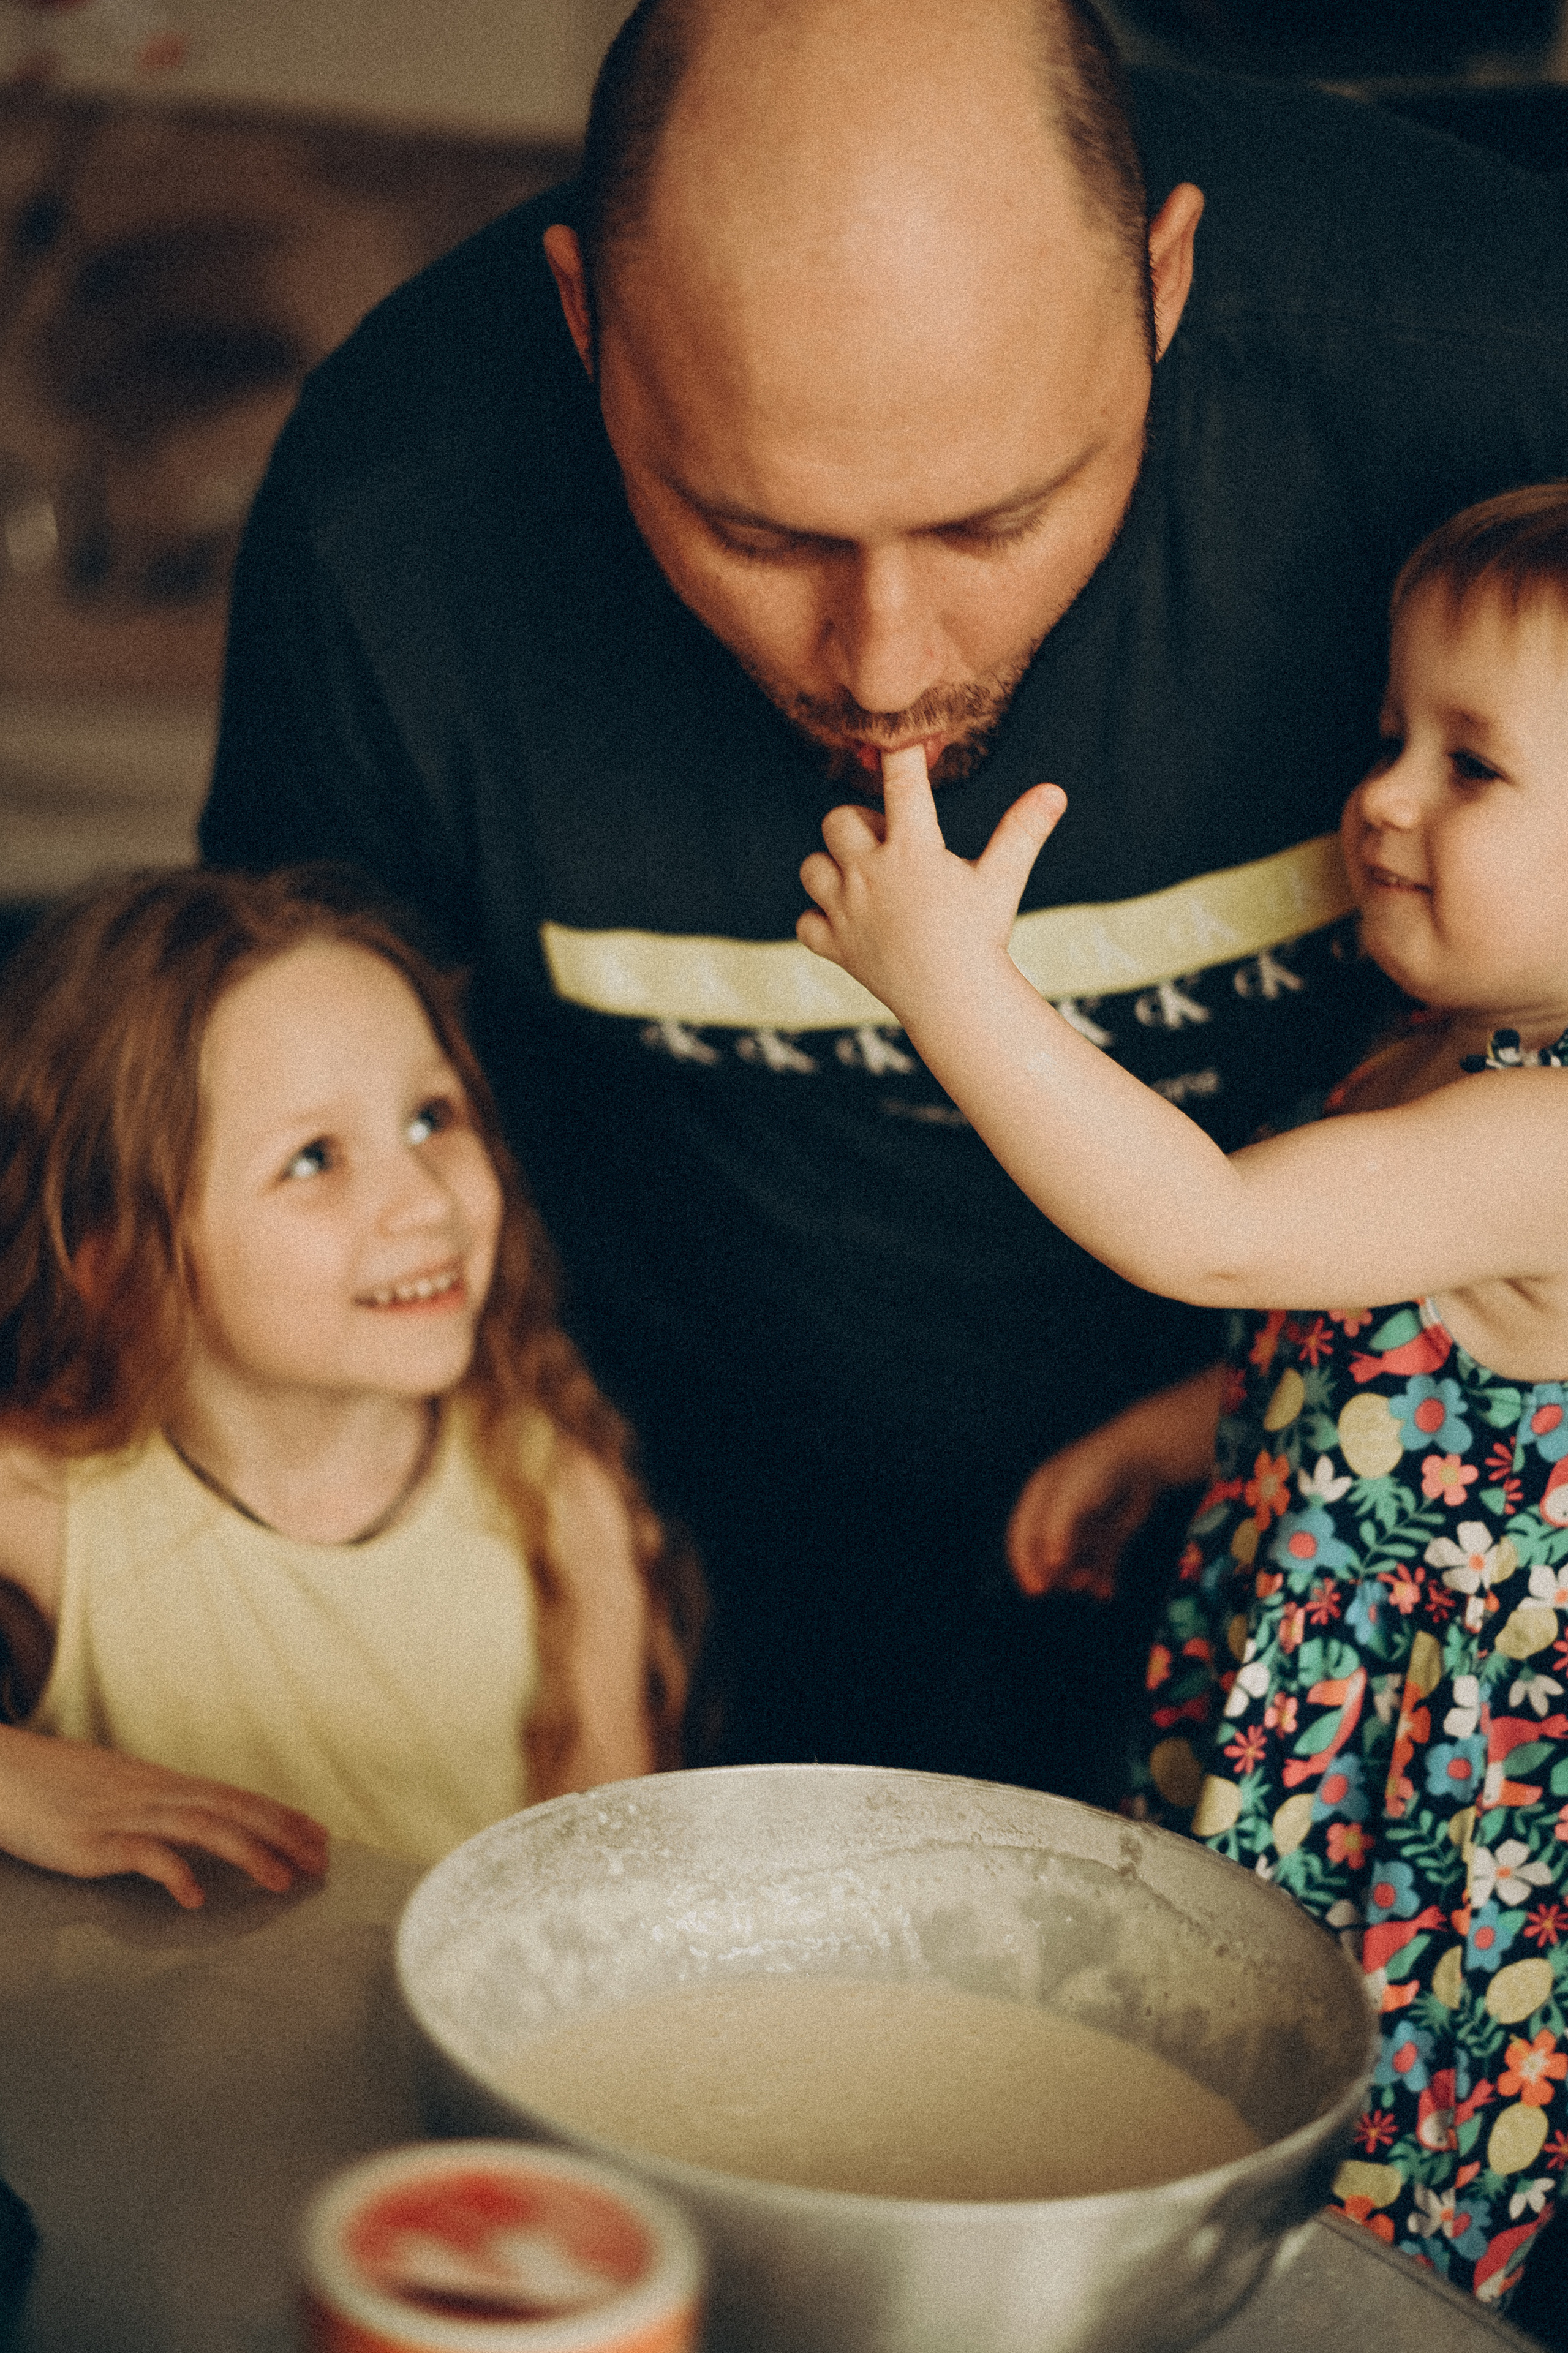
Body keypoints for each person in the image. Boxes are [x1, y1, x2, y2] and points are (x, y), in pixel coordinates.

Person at [200, 0, 1568, 1792]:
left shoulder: (1487, 351)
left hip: (1380, 1625)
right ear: (583, 325)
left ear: (1162, 287)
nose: (885, 664)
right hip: (715, 1541)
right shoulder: (389, 524)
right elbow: (240, 1126)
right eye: (758, 536)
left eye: (999, 522)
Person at [795, 481, 1568, 2304]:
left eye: (1477, 767)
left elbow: (1214, 1230)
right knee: (1206, 2093)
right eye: (1395, 735)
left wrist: (953, 986)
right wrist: (1187, 1440)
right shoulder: (1457, 1049)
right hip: (1316, 1687)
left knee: (1346, 2195)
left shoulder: (1552, 1129)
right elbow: (1362, 1312)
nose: (1381, 796)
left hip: (1431, 1793)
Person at [0, 868, 699, 1908]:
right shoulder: (44, 1502)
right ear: (118, 1261)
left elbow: (619, 1880)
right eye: (314, 1157)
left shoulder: (554, 1489)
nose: (424, 1200)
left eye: (430, 1118)